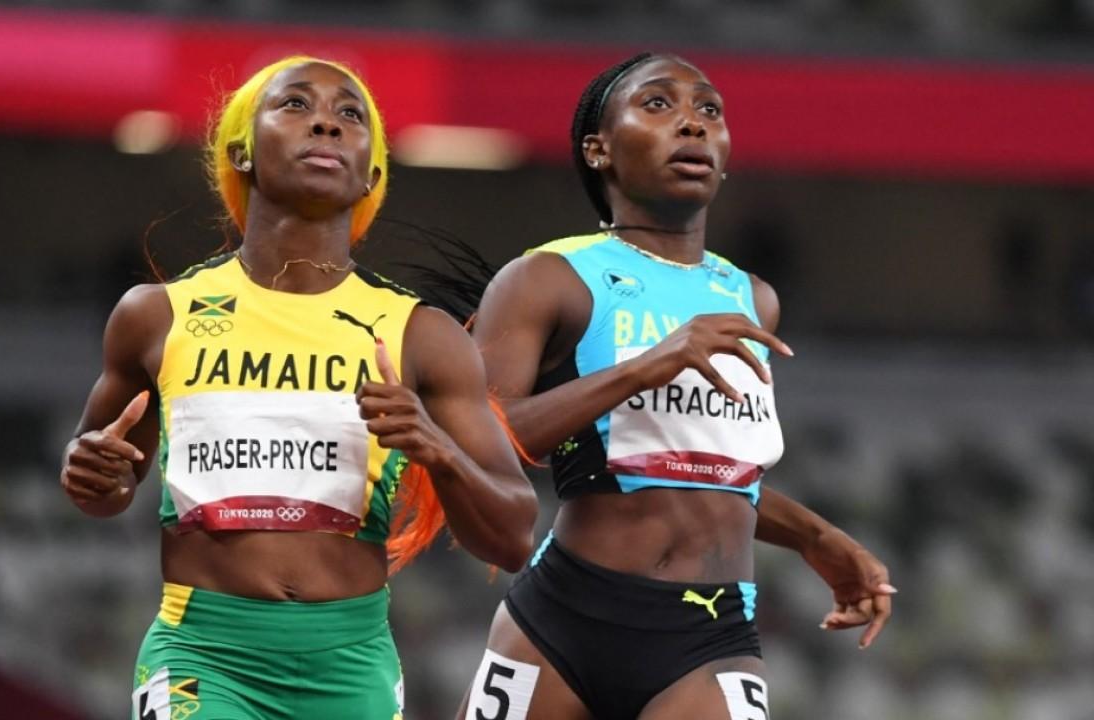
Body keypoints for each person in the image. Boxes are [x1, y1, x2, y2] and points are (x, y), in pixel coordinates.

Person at [59, 55, 537, 720]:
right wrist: (90, 470)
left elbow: (512, 538)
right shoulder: (157, 317)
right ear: (242, 151)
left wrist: (436, 448)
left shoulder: (419, 336)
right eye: (295, 105)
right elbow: (102, 487)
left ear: (371, 171)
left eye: (350, 115)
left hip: (352, 665)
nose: (327, 123)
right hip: (205, 657)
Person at [458, 52, 895, 720]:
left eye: (709, 111)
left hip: (709, 633)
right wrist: (648, 365)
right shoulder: (547, 277)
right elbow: (482, 443)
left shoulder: (751, 297)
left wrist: (816, 536)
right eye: (658, 105)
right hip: (563, 619)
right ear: (598, 149)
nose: (691, 124)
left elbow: (706, 470)